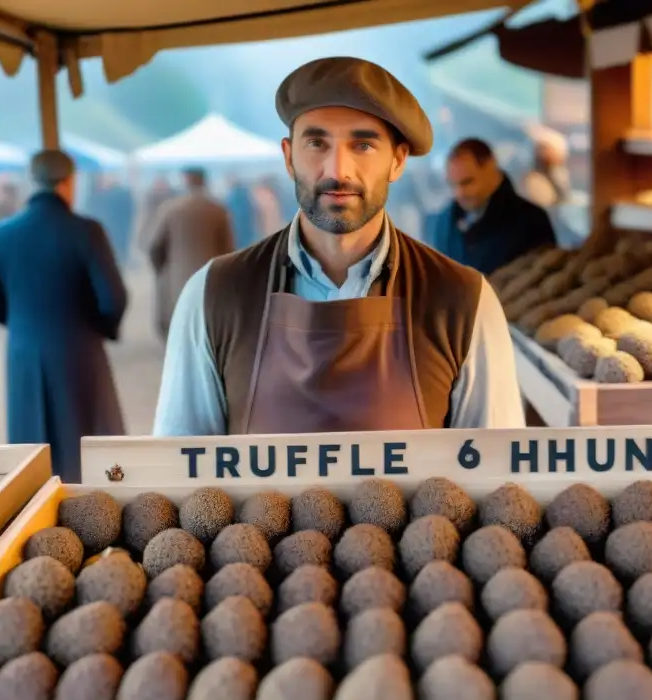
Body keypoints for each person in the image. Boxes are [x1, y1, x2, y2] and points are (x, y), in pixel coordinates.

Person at [153, 56, 523, 436]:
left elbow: (496, 479)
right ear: (288, 157)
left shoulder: (465, 301)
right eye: (316, 143)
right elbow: (178, 473)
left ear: (397, 161)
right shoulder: (213, 294)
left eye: (362, 145)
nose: (337, 171)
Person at [0, 150, 128, 483]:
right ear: (69, 181)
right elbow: (113, 298)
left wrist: (23, 324)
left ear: (33, 181)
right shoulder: (87, 231)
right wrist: (99, 328)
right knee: (87, 443)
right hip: (79, 348)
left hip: (24, 351)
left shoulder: (0, 235)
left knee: (32, 445)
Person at [432, 137, 556, 276]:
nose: (459, 193)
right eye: (453, 184)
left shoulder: (533, 222)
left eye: (468, 182)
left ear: (490, 166)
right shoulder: (444, 222)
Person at [146, 167, 234, 340]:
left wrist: (162, 270)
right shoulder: (218, 210)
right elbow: (229, 249)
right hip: (212, 280)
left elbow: (154, 246)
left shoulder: (171, 209)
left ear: (185, 181)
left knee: (180, 330)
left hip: (178, 280)